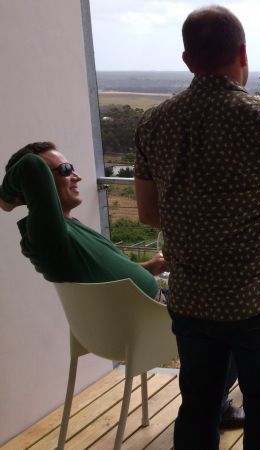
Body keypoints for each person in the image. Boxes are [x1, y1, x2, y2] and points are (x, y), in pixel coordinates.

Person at [134, 6, 260, 449]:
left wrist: (196, 224)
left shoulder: (154, 122)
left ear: (187, 60)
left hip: (191, 297)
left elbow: (148, 213)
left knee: (198, 407)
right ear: (243, 54)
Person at [0, 141, 245, 429]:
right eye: (65, 170)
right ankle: (215, 407)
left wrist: (150, 267)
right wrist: (7, 199)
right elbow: (31, 166)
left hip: (140, 313)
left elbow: (105, 280)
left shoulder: (66, 229)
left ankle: (216, 397)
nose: (76, 176)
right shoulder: (47, 236)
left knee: (225, 291)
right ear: (36, 184)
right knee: (234, 316)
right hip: (145, 324)